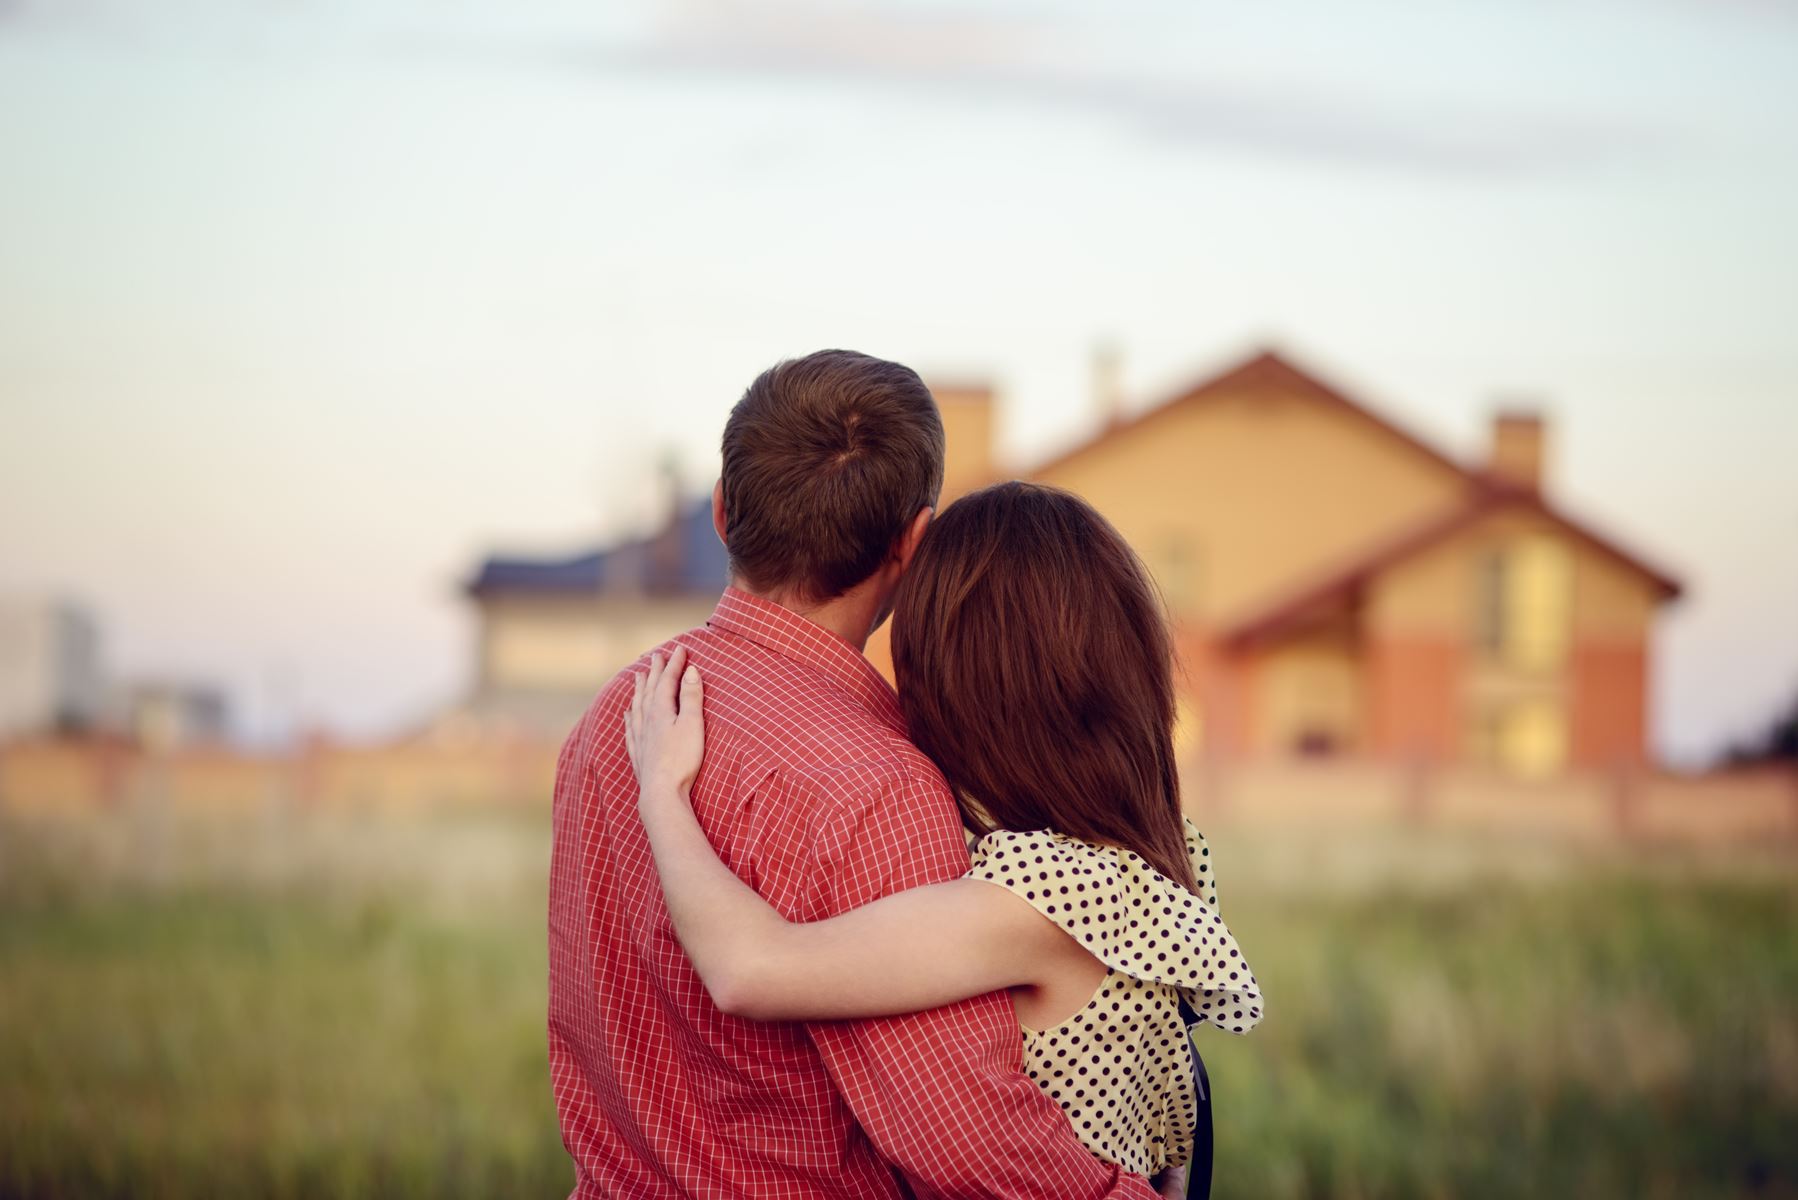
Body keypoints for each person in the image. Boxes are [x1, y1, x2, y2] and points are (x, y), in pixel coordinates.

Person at [547, 351, 1163, 1198]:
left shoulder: (614, 718)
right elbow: (961, 1138)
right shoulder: (879, 787)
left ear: (724, 514)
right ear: (913, 543)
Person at [623, 482, 1264, 1198]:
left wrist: (664, 794)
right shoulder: (1149, 858)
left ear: (958, 676)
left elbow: (751, 967)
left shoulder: (1038, 898)